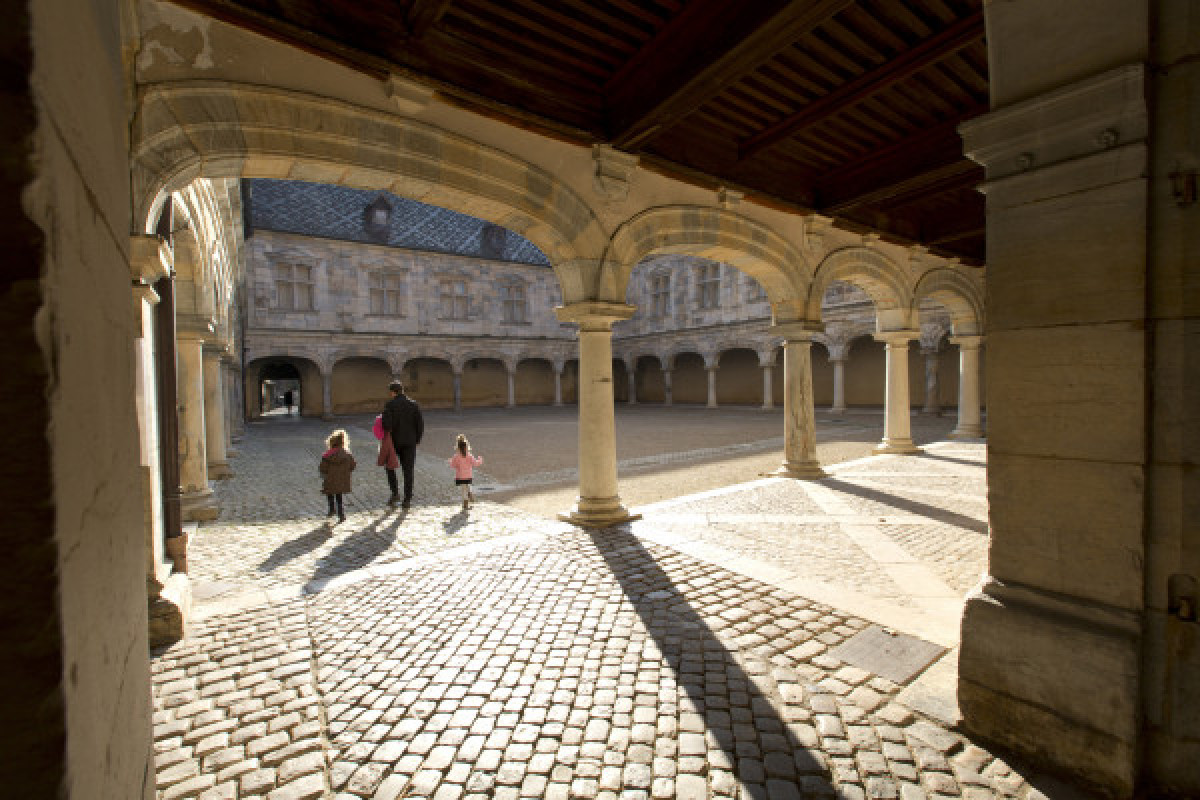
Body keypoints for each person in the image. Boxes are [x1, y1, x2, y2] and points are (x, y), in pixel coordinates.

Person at [380, 380, 423, 508]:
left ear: (392, 392)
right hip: (410, 442)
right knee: (408, 470)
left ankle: (395, 493)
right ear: (402, 390)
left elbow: (386, 425)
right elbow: (420, 424)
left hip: (393, 442)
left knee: (390, 467)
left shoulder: (390, 405)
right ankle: (407, 499)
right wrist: (417, 440)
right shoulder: (413, 405)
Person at [319, 429, 356, 523]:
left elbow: (322, 468)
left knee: (330, 493)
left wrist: (324, 474)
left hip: (330, 479)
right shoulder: (347, 454)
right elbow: (353, 465)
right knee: (339, 496)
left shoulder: (328, 455)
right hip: (342, 480)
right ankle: (341, 514)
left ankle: (331, 509)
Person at [447, 434, 483, 510]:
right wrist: (480, 460)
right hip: (468, 475)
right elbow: (475, 463)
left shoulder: (456, 456)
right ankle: (470, 493)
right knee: (468, 485)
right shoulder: (469, 455)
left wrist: (450, 461)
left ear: (458, 447)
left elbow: (453, 465)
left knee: (463, 489)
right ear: (467, 447)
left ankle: (465, 502)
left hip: (461, 475)